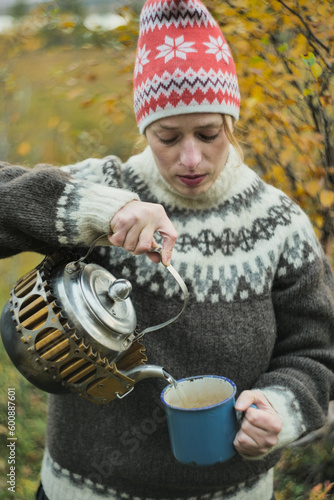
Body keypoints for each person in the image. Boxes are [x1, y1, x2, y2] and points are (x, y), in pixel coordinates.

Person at [0, 0, 333, 499]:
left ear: (231, 123)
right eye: (168, 137)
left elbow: (316, 352)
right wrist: (96, 210)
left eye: (208, 133)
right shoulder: (105, 188)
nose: (191, 157)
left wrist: (282, 408)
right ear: (145, 129)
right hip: (84, 489)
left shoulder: (279, 224)